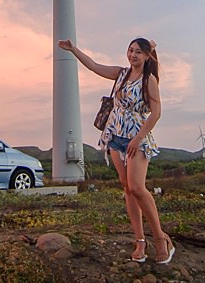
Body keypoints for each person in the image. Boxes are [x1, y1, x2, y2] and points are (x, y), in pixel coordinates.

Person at [58, 37, 175, 265]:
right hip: (114, 137)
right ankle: (140, 241)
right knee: (127, 189)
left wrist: (138, 137)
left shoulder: (148, 80)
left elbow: (156, 113)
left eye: (138, 52)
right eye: (130, 50)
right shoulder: (121, 74)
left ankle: (161, 239)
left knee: (137, 188)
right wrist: (74, 49)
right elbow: (94, 66)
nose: (133, 55)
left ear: (147, 56)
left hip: (136, 140)